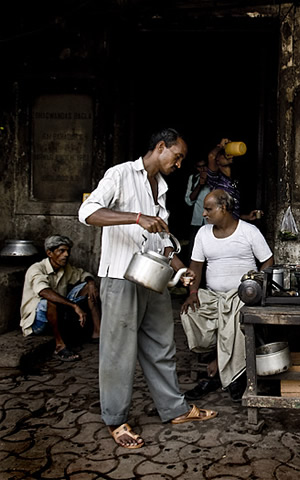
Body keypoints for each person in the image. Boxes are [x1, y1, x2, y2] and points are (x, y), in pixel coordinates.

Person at [78, 127, 217, 450]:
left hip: (153, 278)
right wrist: (136, 218)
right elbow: (88, 213)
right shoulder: (121, 174)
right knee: (117, 352)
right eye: (177, 156)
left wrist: (180, 269)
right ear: (159, 147)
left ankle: (175, 409)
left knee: (161, 345)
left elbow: (161, 241)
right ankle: (115, 419)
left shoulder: (162, 187)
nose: (179, 164)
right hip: (121, 277)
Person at [180, 189, 273, 402]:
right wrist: (193, 293)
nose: (204, 214)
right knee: (191, 313)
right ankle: (221, 364)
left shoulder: (248, 231)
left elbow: (268, 260)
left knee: (236, 318)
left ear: (223, 208)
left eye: (209, 209)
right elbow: (195, 266)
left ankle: (232, 376)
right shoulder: (203, 234)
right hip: (213, 295)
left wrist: (255, 283)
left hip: (241, 296)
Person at [20, 235, 101, 362]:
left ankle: (97, 332)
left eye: (68, 251)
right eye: (61, 251)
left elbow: (83, 274)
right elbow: (44, 292)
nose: (66, 255)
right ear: (49, 253)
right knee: (50, 300)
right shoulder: (36, 269)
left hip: (58, 313)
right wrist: (75, 306)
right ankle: (59, 346)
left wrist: (91, 283)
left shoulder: (65, 268)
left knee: (88, 287)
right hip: (37, 322)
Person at [206, 138, 262, 222]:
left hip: (232, 227)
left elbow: (232, 214)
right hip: (221, 228)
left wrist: (247, 217)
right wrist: (221, 146)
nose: (228, 155)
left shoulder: (234, 180)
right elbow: (211, 156)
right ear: (217, 160)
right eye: (223, 154)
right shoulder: (216, 179)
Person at [184, 158, 211, 258]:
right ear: (196, 168)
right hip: (197, 221)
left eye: (205, 166)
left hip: (212, 222)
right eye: (200, 167)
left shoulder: (216, 177)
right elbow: (189, 201)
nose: (203, 169)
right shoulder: (193, 178)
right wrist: (200, 184)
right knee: (194, 252)